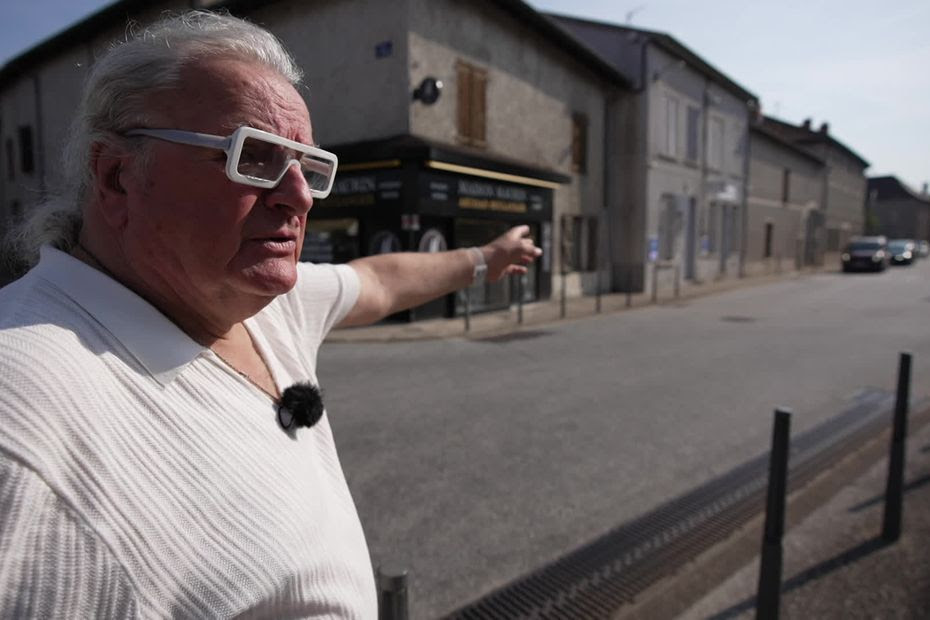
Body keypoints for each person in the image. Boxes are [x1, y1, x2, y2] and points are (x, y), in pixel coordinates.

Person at [0, 11, 541, 618]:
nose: (300, 195)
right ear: (117, 175)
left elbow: (377, 281)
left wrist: (482, 258)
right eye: (253, 157)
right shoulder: (20, 410)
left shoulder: (252, 300)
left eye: (307, 168)